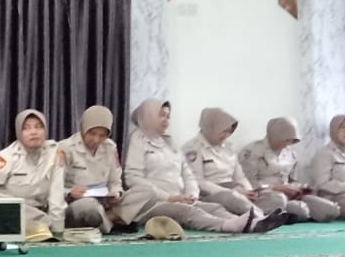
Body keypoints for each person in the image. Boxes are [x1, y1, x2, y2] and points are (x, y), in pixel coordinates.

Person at [124, 98, 289, 234]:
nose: (166, 120)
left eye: (168, 116)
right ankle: (228, 226)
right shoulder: (138, 140)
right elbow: (132, 178)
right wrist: (168, 197)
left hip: (179, 198)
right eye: (161, 115)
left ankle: (253, 223)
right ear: (148, 115)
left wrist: (192, 194)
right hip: (151, 202)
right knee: (189, 212)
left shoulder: (169, 142)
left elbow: (187, 173)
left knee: (214, 208)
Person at [181, 107, 289, 218]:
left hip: (236, 191)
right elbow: (199, 181)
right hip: (211, 194)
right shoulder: (192, 148)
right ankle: (259, 217)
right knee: (232, 198)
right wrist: (232, 192)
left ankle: (247, 214)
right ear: (210, 128)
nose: (226, 135)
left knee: (277, 198)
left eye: (229, 131)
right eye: (223, 131)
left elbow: (240, 177)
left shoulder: (228, 148)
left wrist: (250, 192)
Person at [0, 108, 63, 242]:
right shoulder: (6, 157)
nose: (33, 132)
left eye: (38, 127)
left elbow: (57, 195)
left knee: (46, 223)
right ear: (18, 133)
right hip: (8, 212)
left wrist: (58, 233)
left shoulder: (54, 154)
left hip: (38, 214)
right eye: (26, 128)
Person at [52, 105, 137, 233]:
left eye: (102, 135)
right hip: (77, 203)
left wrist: (116, 193)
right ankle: (110, 224)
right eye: (92, 134)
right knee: (88, 206)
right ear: (83, 128)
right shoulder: (65, 148)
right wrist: (69, 192)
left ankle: (106, 218)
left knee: (143, 192)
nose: (96, 140)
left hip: (105, 203)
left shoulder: (110, 147)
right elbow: (53, 187)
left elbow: (115, 181)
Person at [239, 117, 340, 222]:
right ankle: (290, 213)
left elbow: (292, 179)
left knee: (330, 210)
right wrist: (276, 187)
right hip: (265, 196)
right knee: (284, 202)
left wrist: (299, 188)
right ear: (275, 136)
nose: (287, 144)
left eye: (291, 141)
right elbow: (248, 183)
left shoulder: (290, 154)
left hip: (288, 195)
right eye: (286, 140)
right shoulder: (252, 151)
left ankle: (290, 214)